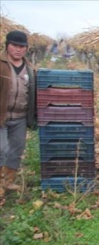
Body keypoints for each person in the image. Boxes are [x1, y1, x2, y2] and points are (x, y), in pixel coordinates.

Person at [0, 30, 36, 198]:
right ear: (7, 46)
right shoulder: (1, 64)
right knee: (2, 149)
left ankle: (8, 182)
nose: (18, 49)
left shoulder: (29, 69)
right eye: (15, 45)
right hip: (2, 115)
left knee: (17, 149)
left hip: (20, 117)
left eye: (22, 46)